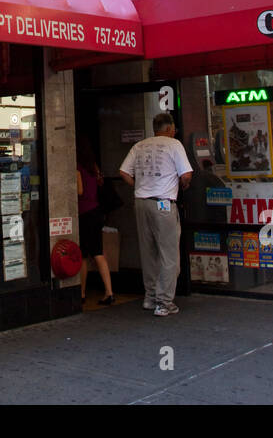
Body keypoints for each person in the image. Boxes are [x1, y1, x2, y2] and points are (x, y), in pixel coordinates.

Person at [119, 113, 192, 317]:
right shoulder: (174, 144)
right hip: (163, 203)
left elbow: (124, 172)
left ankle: (150, 297)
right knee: (169, 255)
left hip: (141, 202)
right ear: (169, 129)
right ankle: (164, 302)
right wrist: (183, 184)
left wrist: (139, 187)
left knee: (148, 252)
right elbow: (186, 175)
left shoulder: (140, 146)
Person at [76, 137, 115, 306]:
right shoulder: (94, 167)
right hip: (96, 211)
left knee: (83, 255)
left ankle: (82, 292)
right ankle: (109, 291)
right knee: (98, 252)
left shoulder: (77, 168)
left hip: (84, 212)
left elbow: (79, 190)